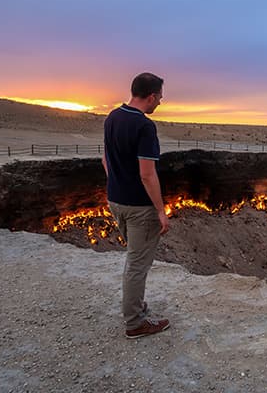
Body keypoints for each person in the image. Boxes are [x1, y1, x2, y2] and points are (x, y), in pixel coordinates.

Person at [102, 72, 171, 339]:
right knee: (137, 264)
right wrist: (160, 210)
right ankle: (135, 323)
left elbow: (105, 160)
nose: (160, 104)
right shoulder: (144, 126)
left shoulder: (113, 117)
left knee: (135, 260)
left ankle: (136, 305)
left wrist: (117, 183)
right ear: (151, 96)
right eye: (160, 98)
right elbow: (147, 174)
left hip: (115, 201)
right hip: (139, 207)